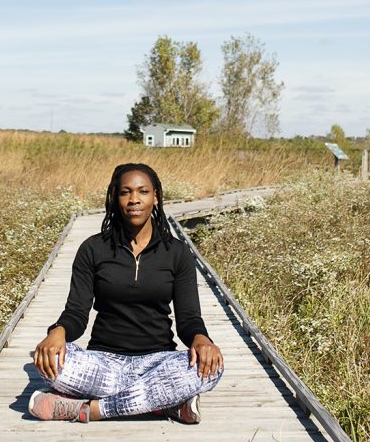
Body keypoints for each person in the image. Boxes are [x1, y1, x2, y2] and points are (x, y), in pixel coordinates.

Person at [28, 163, 223, 424]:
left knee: (211, 370)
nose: (134, 200)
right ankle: (163, 404)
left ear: (156, 197)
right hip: (103, 363)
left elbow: (188, 318)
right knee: (50, 363)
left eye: (143, 191)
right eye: (125, 192)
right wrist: (57, 332)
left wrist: (201, 340)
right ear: (114, 197)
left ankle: (88, 410)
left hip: (157, 361)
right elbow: (76, 312)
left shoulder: (177, 253)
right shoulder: (93, 249)